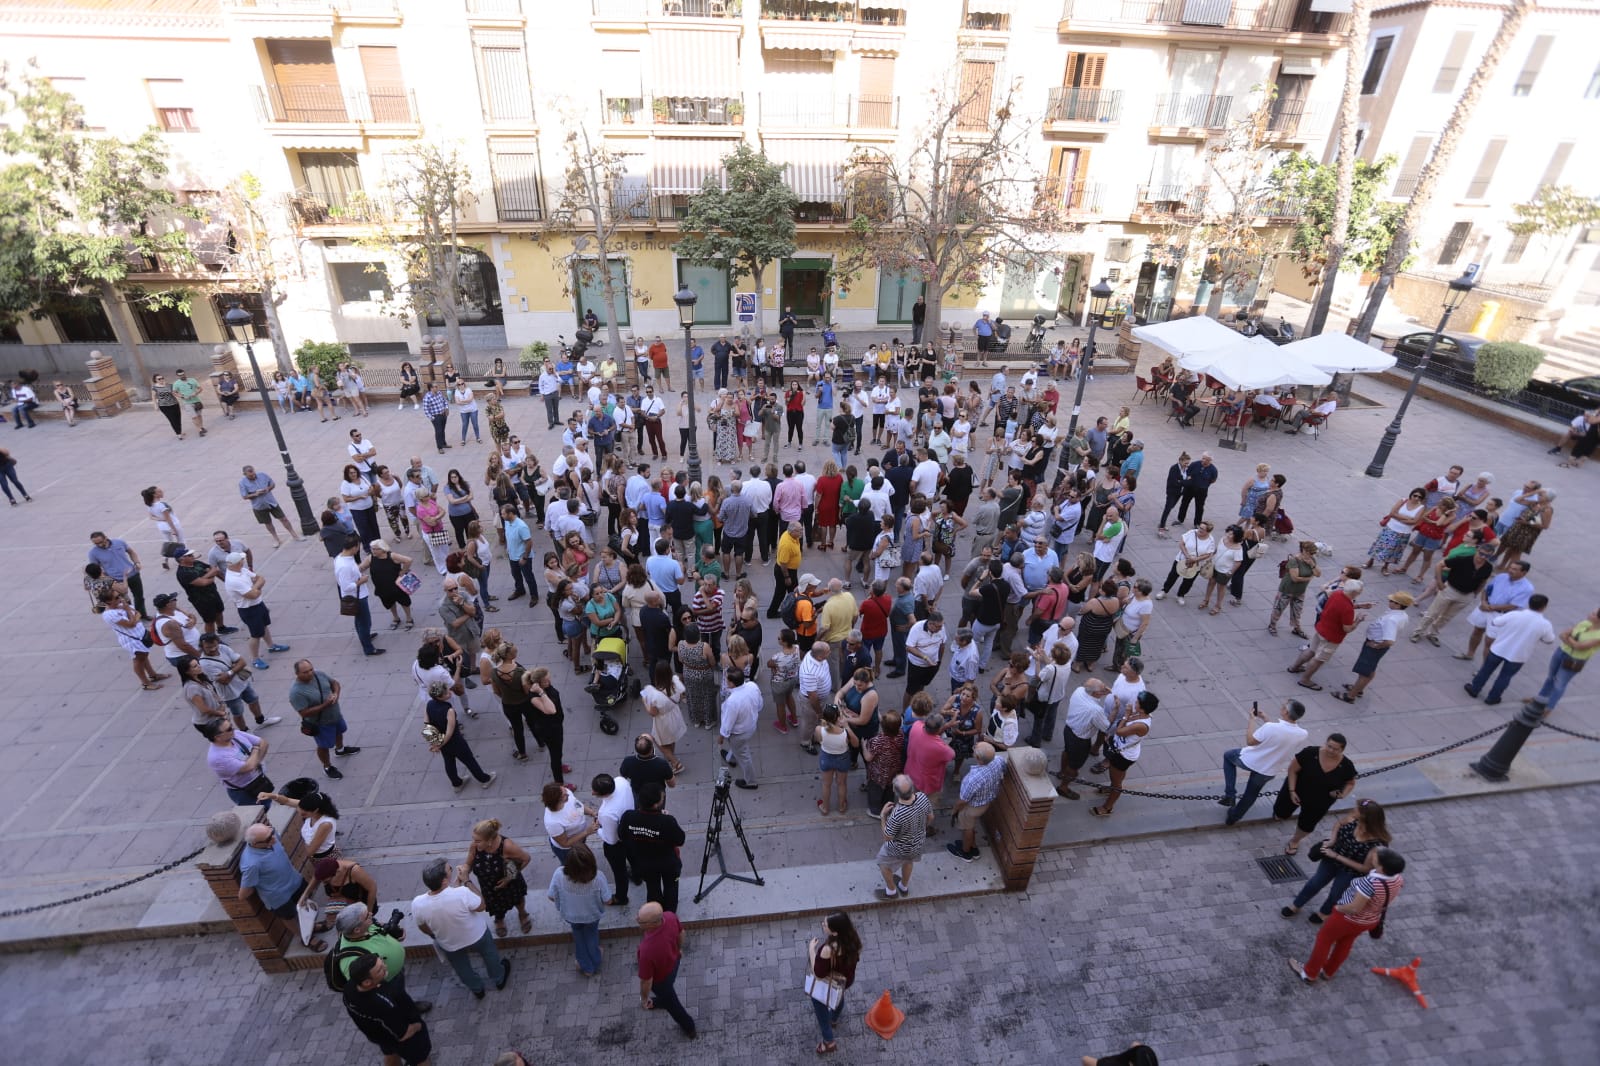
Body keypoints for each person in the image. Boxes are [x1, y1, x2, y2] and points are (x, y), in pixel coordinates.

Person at [1291, 848, 1406, 984]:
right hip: (1370, 920)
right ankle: (1328, 972)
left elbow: (1354, 908)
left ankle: (1310, 973)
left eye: (1377, 857)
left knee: (1324, 940)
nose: (1374, 855)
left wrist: (1338, 908)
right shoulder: (1397, 879)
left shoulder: (1369, 883)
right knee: (1345, 943)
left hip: (1347, 919)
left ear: (1381, 867)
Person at [412, 858, 510, 999]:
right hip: (476, 935)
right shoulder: (462, 893)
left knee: (461, 967)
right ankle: (499, 978)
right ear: (444, 881)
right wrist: (467, 881)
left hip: (449, 942)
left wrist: (434, 935)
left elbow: (422, 925)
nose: (452, 870)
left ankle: (477, 989)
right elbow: (481, 905)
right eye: (450, 869)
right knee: (490, 955)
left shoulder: (418, 903)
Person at [1220, 699, 1309, 826]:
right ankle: (1233, 817)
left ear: (1286, 712)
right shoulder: (1302, 733)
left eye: (1284, 706)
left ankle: (1230, 794)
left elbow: (1250, 741)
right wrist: (1266, 719)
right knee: (1251, 794)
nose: (1281, 707)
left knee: (1228, 756)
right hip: (1269, 770)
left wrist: (1252, 720)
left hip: (1252, 761)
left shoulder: (1271, 727)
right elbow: (1280, 734)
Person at [1272, 734, 1357, 856]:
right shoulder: (1310, 753)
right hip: (1296, 790)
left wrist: (1343, 794)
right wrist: (1292, 791)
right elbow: (1292, 770)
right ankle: (1280, 815)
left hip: (1320, 800)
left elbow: (1350, 782)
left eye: (1335, 749)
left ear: (1342, 750)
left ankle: (1295, 841)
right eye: (1329, 746)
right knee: (1281, 811)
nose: (1331, 750)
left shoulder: (1346, 765)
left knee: (1307, 824)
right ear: (1325, 743)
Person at [342, 954, 433, 1066]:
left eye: (382, 963)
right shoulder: (382, 1005)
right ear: (367, 982)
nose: (385, 967)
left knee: (390, 1052)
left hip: (379, 1035)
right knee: (421, 1059)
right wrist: (418, 1026)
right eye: (380, 970)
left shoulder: (350, 987)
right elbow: (403, 1034)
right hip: (399, 1039)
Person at [1466, 593, 1556, 704]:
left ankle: (1474, 689)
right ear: (1544, 607)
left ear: (1529, 603)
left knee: (1486, 670)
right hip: (1519, 655)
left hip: (1499, 648)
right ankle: (1493, 698)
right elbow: (1549, 640)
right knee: (1505, 676)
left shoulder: (1514, 614)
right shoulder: (1545, 624)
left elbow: (1495, 622)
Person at [237, 823, 318, 940]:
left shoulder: (271, 836)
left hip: (295, 881)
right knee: (289, 917)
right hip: (279, 897)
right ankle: (304, 938)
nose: (274, 838)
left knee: (305, 905)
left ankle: (312, 926)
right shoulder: (251, 864)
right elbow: (243, 894)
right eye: (268, 839)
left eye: (271, 832)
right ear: (255, 844)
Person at [1331, 591, 1413, 703]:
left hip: (1374, 646)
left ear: (1398, 605)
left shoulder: (1391, 620)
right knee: (1369, 669)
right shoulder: (1402, 615)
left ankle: (1350, 696)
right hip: (1376, 645)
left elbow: (1389, 641)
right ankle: (1358, 689)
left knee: (1364, 673)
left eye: (1391, 601)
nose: (1389, 601)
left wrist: (1376, 645)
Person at [1288, 578, 1368, 692]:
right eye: (1360, 591)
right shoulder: (1348, 609)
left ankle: (1294, 667)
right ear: (1354, 592)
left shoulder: (1337, 594)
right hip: (1331, 637)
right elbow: (1347, 628)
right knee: (1319, 659)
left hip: (1321, 628)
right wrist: (1358, 620)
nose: (1360, 593)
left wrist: (1359, 606)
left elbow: (1339, 607)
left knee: (1311, 650)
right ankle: (1305, 680)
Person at [1089, 690, 1159, 818]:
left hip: (1123, 756)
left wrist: (1126, 715)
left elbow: (1119, 731)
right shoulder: (1140, 714)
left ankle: (1107, 807)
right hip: (1119, 749)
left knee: (1117, 782)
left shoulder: (1141, 725)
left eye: (1137, 702)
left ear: (1143, 709)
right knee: (1116, 777)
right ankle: (1111, 789)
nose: (1135, 703)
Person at [288, 659, 360, 779]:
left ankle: (340, 750)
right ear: (297, 674)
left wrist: (336, 694)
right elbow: (304, 713)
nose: (310, 673)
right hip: (321, 723)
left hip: (335, 715)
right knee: (323, 746)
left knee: (339, 732)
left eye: (311, 669)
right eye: (305, 672)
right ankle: (327, 766)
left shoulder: (319, 674)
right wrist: (325, 705)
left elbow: (335, 683)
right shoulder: (296, 692)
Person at [620, 784, 686, 914]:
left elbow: (622, 835)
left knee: (652, 888)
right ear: (656, 805)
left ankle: (656, 914)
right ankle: (669, 915)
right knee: (671, 888)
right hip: (668, 863)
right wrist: (664, 818)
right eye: (662, 797)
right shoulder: (667, 821)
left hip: (644, 862)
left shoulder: (628, 817)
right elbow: (680, 840)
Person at [548, 843, 610, 977]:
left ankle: (586, 966)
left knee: (578, 936)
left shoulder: (559, 874)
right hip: (592, 916)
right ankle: (595, 959)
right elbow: (607, 900)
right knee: (591, 935)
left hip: (570, 916)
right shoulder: (598, 877)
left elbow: (551, 896)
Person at [462, 818, 533, 937]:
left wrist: (509, 877)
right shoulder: (475, 846)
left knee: (518, 900)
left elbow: (526, 859)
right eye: (474, 839)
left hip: (511, 883)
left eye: (478, 841)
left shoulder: (507, 846)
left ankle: (522, 914)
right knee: (495, 906)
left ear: (489, 840)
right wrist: (464, 870)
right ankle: (499, 920)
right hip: (489, 887)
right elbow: (468, 863)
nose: (474, 843)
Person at [636, 901, 696, 1039]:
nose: (637, 919)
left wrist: (644, 999)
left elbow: (646, 981)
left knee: (673, 1006)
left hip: (661, 981)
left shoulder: (646, 950)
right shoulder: (670, 916)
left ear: (652, 924)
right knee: (667, 995)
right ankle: (662, 1001)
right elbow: (681, 933)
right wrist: (678, 950)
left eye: (640, 920)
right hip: (674, 962)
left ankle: (690, 1028)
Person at [805, 911, 861, 1055]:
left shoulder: (828, 949)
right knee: (838, 996)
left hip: (828, 984)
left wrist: (811, 950)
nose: (822, 925)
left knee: (821, 1010)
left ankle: (828, 1042)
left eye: (825, 925)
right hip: (845, 981)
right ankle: (834, 1019)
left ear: (835, 932)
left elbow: (818, 973)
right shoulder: (853, 938)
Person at [874, 774, 933, 900]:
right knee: (908, 861)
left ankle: (891, 892)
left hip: (898, 849)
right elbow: (930, 817)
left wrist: (883, 816)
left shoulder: (897, 814)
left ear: (894, 791)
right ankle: (903, 887)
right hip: (918, 844)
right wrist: (919, 830)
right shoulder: (923, 797)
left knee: (882, 863)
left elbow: (887, 837)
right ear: (912, 788)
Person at [946, 742, 1006, 862]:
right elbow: (1004, 770)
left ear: (978, 758)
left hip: (972, 808)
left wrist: (955, 810)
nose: (974, 747)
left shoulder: (972, 779)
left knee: (967, 828)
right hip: (986, 802)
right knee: (971, 826)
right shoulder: (999, 760)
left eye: (975, 748)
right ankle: (973, 849)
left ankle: (965, 853)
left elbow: (962, 801)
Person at [201, 719, 275, 806]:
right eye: (229, 729)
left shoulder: (235, 734)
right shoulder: (218, 757)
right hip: (245, 791)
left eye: (231, 726)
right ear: (217, 737)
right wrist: (255, 750)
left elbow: (263, 743)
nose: (233, 729)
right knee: (257, 812)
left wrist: (256, 761)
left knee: (268, 804)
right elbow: (249, 767)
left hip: (260, 780)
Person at [335, 534, 384, 657]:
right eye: (358, 546)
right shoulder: (344, 566)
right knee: (364, 622)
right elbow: (346, 586)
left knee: (360, 620)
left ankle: (364, 636)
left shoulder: (342, 557)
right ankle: (368, 648)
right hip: (356, 597)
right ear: (354, 547)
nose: (359, 548)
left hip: (358, 594)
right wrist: (361, 581)